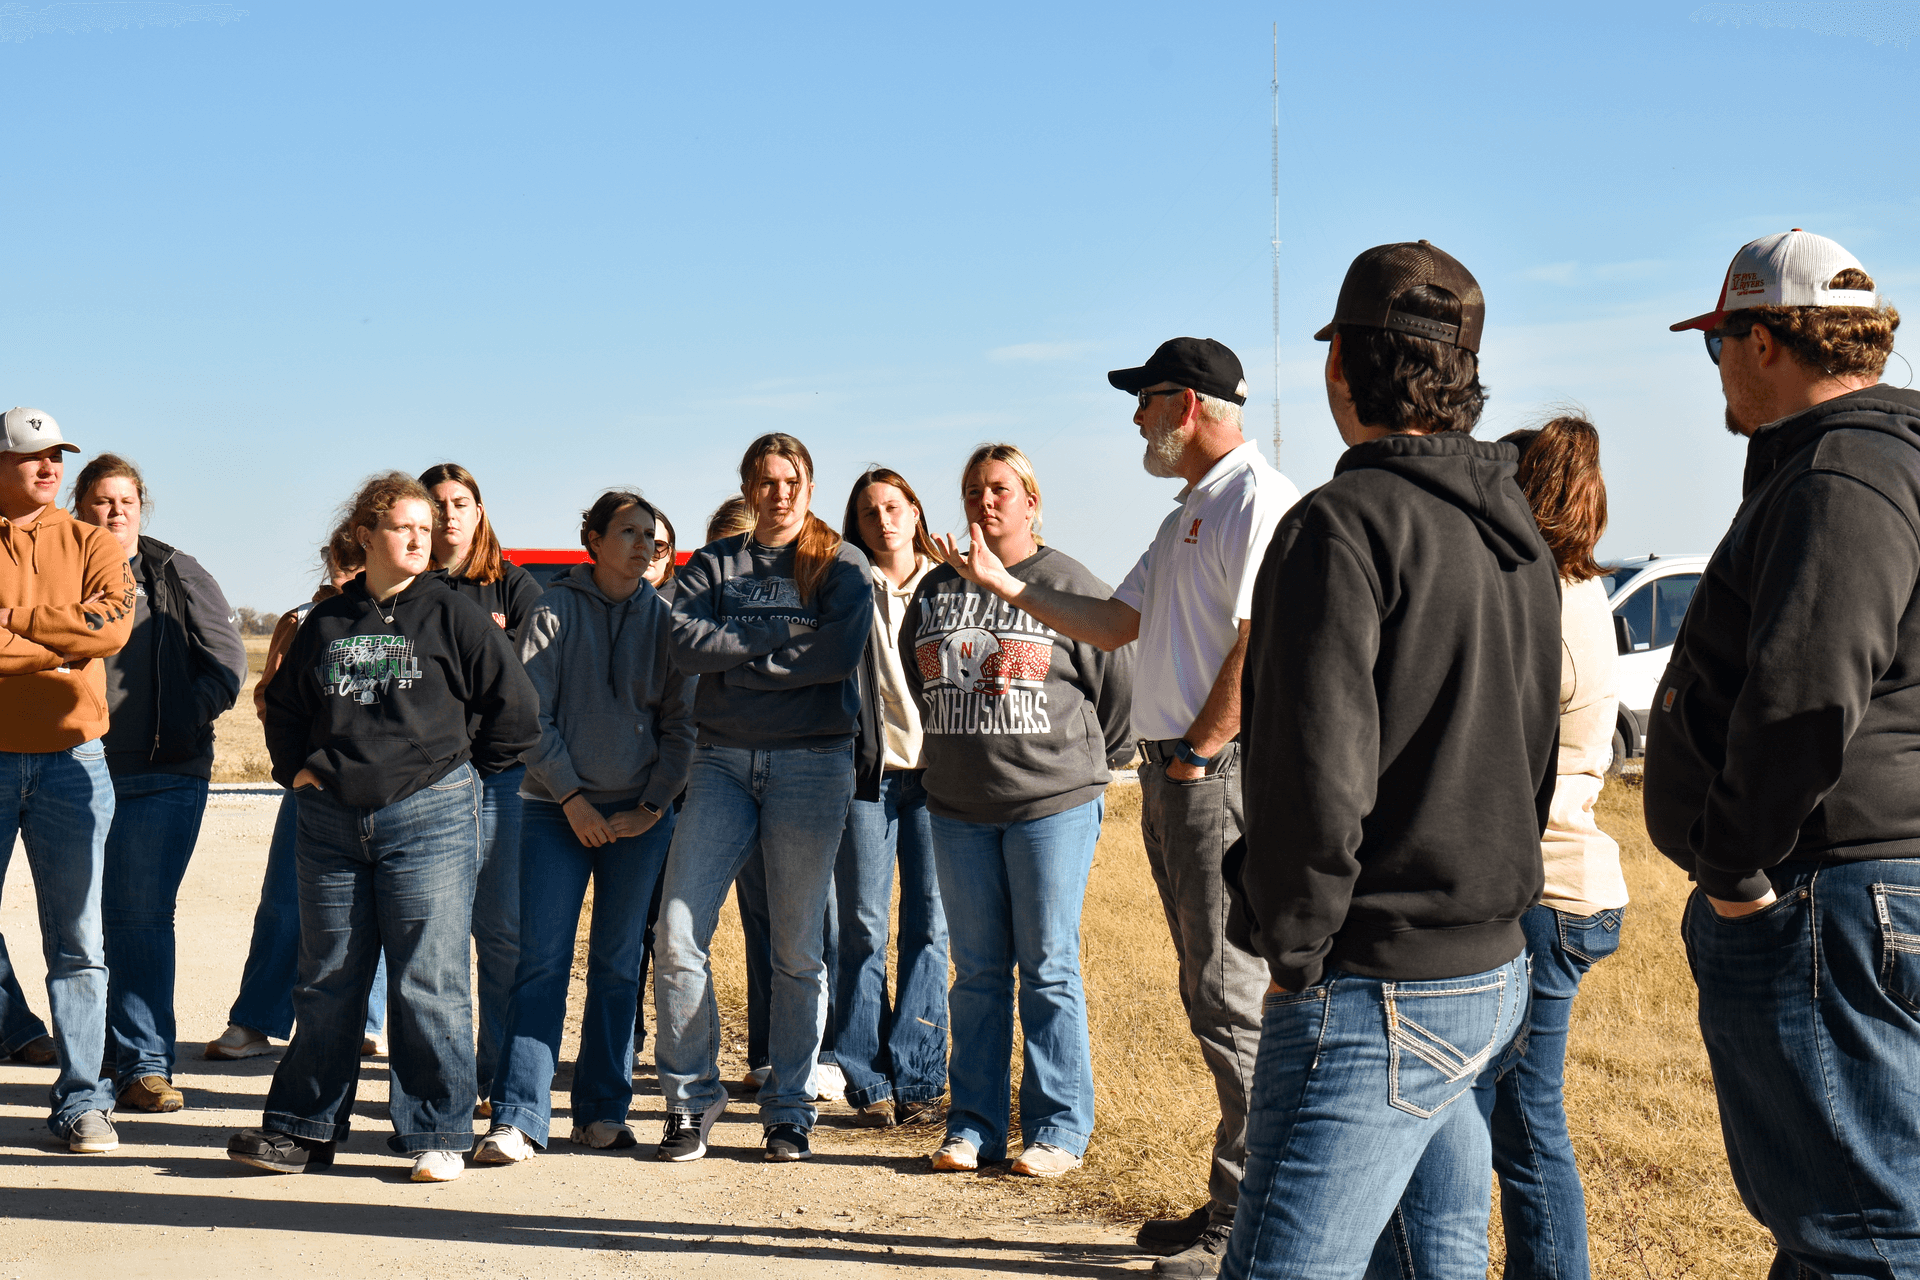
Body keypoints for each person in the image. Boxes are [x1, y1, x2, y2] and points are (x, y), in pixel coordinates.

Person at [1221, 242, 1560, 1280]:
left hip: (1376, 978)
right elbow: (1534, 755)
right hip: (1491, 963)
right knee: (1433, 1257)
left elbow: (1313, 779)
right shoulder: (1523, 539)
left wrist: (1296, 954)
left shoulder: (1341, 526)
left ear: (1341, 370)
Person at [951, 338, 1299, 1271]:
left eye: (1145, 403)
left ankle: (1252, 1225)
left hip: (1210, 776)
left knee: (1231, 998)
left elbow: (1261, 636)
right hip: (1181, 774)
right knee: (1207, 992)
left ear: (1187, 404)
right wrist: (1006, 587)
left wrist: (1200, 750)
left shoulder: (1255, 500)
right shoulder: (1193, 507)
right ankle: (1236, 1196)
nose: (1136, 420)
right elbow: (1115, 623)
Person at [1645, 230, 1920, 1278]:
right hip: (1866, 889)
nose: (1713, 363)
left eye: (1717, 339)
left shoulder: (1844, 472)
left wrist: (1734, 873)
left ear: (1763, 339)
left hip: (1834, 894)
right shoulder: (1880, 459)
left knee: (1858, 1229)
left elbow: (1806, 694)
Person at [229, 471, 538, 1182]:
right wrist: (295, 772)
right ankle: (302, 1130)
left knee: (427, 979)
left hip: (427, 819)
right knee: (328, 980)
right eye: (404, 527)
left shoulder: (452, 615)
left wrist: (457, 776)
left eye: (426, 530)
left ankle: (437, 1131)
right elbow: (285, 704)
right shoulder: (328, 622)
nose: (419, 538)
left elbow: (515, 711)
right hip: (332, 823)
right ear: (365, 535)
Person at [653, 433, 872, 1163]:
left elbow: (837, 654)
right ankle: (690, 1099)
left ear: (809, 485)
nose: (779, 493)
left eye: (792, 480)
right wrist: (782, 644)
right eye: (766, 481)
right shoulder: (715, 562)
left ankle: (789, 1107)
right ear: (748, 488)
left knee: (795, 948)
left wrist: (738, 657)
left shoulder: (841, 565)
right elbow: (681, 645)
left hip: (812, 764)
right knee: (678, 932)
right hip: (719, 763)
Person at [916, 443, 1134, 1179]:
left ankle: (1057, 1130)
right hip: (956, 806)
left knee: (1046, 967)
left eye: (1002, 489)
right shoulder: (938, 587)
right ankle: (973, 1125)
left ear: (1032, 501)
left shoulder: (1064, 581)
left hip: (1050, 804)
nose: (986, 500)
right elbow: (925, 684)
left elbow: (1118, 683)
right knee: (976, 971)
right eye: (974, 489)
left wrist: (1087, 761)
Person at [476, 491, 694, 1163]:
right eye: (627, 533)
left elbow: (682, 728)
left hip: (638, 821)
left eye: (651, 538)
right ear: (592, 541)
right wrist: (572, 799)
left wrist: (650, 808)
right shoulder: (553, 610)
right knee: (540, 961)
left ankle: (601, 1112)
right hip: (552, 814)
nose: (641, 546)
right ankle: (519, 1117)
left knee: (618, 966)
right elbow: (530, 717)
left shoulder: (667, 621)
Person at [70, 454, 248, 1114]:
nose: (117, 511)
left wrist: (183, 714)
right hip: (73, 769)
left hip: (162, 774)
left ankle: (145, 1064)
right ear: (78, 507)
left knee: (138, 914)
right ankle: (111, 1056)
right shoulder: (59, 569)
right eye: (102, 500)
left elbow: (227, 660)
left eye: (128, 501)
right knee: (87, 923)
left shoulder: (174, 570)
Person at [1493, 416, 1626, 1280]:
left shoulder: (1546, 609)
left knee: (1528, 1127)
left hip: (1550, 889)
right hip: (1577, 881)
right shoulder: (1584, 594)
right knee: (1519, 1119)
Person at [0, 407, 136, 1153]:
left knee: (80, 940)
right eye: (30, 457)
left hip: (73, 762)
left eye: (56, 456)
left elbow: (111, 630)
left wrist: (16, 619)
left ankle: (84, 1101)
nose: (49, 468)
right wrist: (56, 645)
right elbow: (82, 633)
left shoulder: (93, 541)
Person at [205, 535, 394, 1061]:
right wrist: (298, 763)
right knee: (285, 904)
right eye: (344, 561)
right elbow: (270, 696)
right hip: (313, 784)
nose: (349, 571)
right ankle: (255, 1021)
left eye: (359, 562)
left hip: (388, 786)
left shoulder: (403, 617)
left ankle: (367, 1021)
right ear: (330, 561)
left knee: (376, 907)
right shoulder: (301, 619)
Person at [417, 462, 543, 1113]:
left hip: (500, 780)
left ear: (478, 510)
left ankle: (497, 1076)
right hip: (428, 783)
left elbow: (524, 683)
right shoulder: (405, 589)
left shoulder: (512, 588)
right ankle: (445, 1081)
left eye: (459, 502)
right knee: (435, 940)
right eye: (435, 503)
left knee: (499, 935)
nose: (447, 515)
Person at [834, 467, 946, 1127]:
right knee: (863, 926)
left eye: (894, 506)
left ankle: (921, 1077)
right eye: (871, 511)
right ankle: (866, 1076)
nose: (884, 520)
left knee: (932, 927)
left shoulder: (947, 581)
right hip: (868, 778)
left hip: (941, 778)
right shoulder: (846, 586)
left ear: (914, 511)